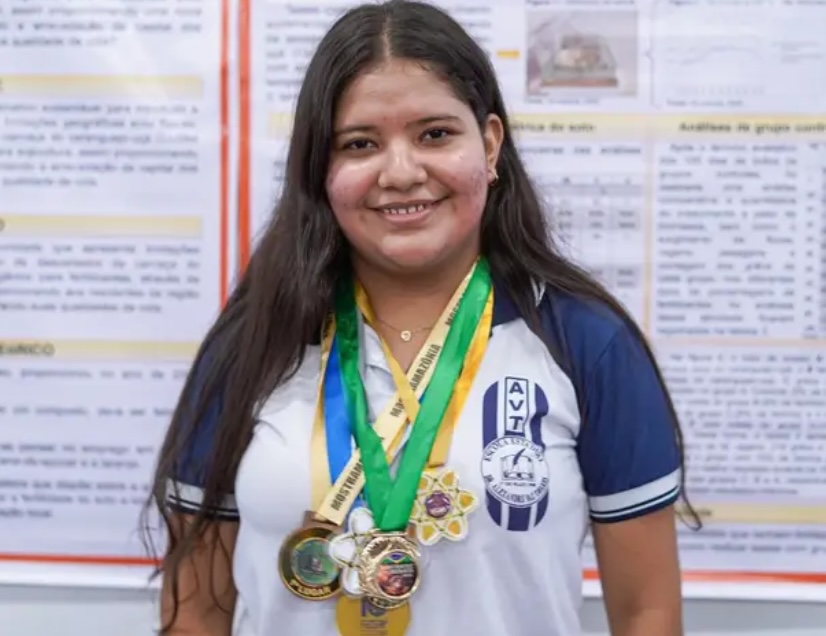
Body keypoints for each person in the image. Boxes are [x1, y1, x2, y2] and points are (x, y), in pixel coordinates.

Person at [143, 1, 700, 635]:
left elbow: (647, 613)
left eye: (434, 134)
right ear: (320, 168)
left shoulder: (585, 342)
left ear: (489, 144)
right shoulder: (256, 342)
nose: (402, 173)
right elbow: (195, 614)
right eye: (360, 144)